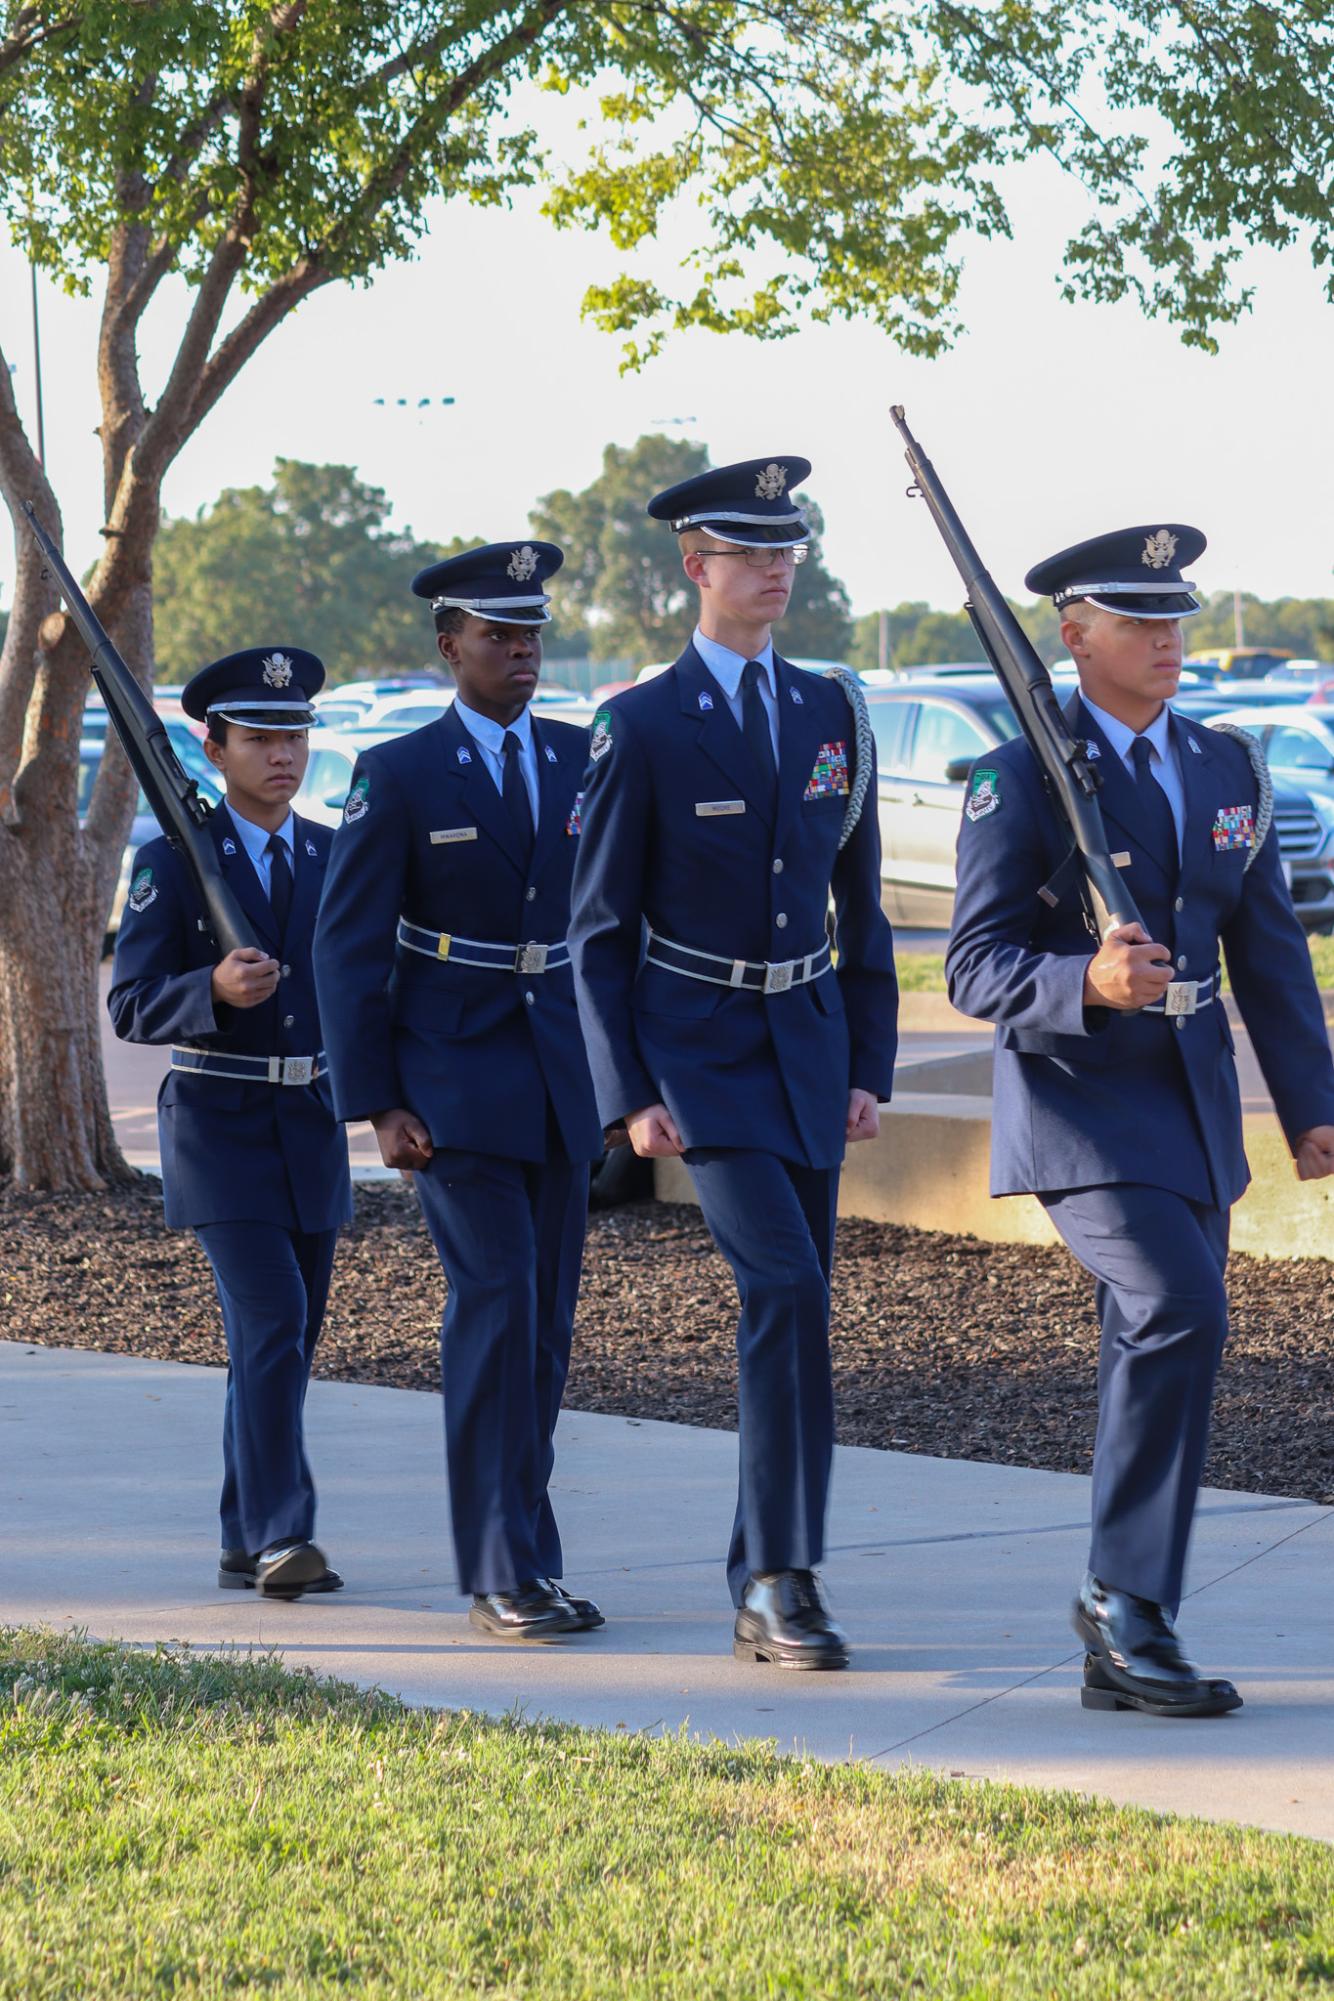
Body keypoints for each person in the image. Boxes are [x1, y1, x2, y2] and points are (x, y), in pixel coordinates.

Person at [946, 524, 1334, 1717]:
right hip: (1080, 1108)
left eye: (1173, 613)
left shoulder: (1223, 764)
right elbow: (970, 968)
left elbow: (1268, 953)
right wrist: (1081, 985)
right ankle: (1124, 1603)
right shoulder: (1020, 777)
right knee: (1177, 1308)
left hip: (1193, 1105)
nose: (1165, 634)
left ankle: (1123, 1626)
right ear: (1071, 636)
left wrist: (1311, 1110)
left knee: (1156, 1337)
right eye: (1134, 617)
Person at [569, 457, 899, 1670]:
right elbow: (595, 931)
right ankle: (774, 1575)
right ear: (694, 567)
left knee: (804, 1301)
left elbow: (855, 907)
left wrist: (869, 1058)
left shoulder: (830, 712)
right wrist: (627, 1097)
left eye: (787, 550)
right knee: (785, 1289)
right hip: (696, 1054)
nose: (774, 568)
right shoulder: (641, 723)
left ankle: (774, 1559)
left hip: (806, 1047)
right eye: (749, 550)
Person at [312, 542, 605, 1640]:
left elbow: (613, 928)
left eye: (530, 633)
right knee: (495, 1310)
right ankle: (494, 1573)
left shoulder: (584, 759)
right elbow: (346, 950)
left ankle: (532, 1558)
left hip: (560, 1080)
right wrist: (376, 1099)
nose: (520, 651)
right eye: (496, 635)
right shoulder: (396, 774)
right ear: (449, 647)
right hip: (448, 1082)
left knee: (545, 1331)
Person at [108, 647, 352, 1599]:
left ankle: (238, 1535)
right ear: (213, 747)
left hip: (314, 1120)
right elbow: (131, 1003)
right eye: (260, 737)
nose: (283, 754)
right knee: (273, 1319)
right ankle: (286, 1534)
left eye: (295, 735)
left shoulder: (334, 851)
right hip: (219, 1123)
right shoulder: (170, 861)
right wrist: (206, 988)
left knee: (286, 1340)